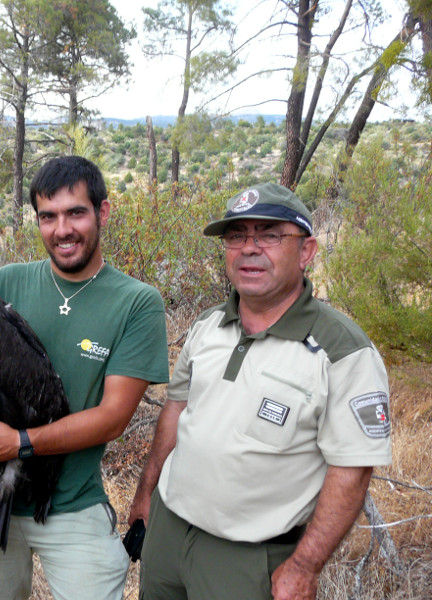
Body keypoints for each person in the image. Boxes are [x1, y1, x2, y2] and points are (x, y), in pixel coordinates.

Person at [128, 183, 392, 600]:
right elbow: (176, 410)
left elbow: (353, 470)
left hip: (249, 560)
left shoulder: (342, 351)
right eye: (236, 236)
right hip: (168, 532)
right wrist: (146, 494)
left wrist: (304, 567)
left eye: (270, 234)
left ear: (306, 251)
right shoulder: (208, 326)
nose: (249, 248)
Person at [0, 155, 170, 600]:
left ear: (102, 212)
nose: (61, 229)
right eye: (47, 216)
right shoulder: (6, 282)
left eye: (76, 212)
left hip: (72, 505)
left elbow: (112, 417)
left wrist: (17, 443)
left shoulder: (136, 302)